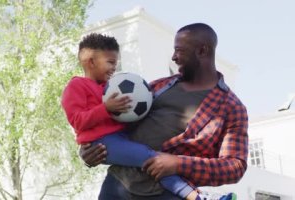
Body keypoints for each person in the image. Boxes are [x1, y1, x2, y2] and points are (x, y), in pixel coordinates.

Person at [79, 23, 248, 200]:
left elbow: (235, 166)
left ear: (202, 51)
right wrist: (88, 151)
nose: (174, 57)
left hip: (168, 193)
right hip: (117, 186)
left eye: (179, 50)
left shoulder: (232, 108)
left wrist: (178, 164)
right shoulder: (157, 87)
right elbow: (112, 126)